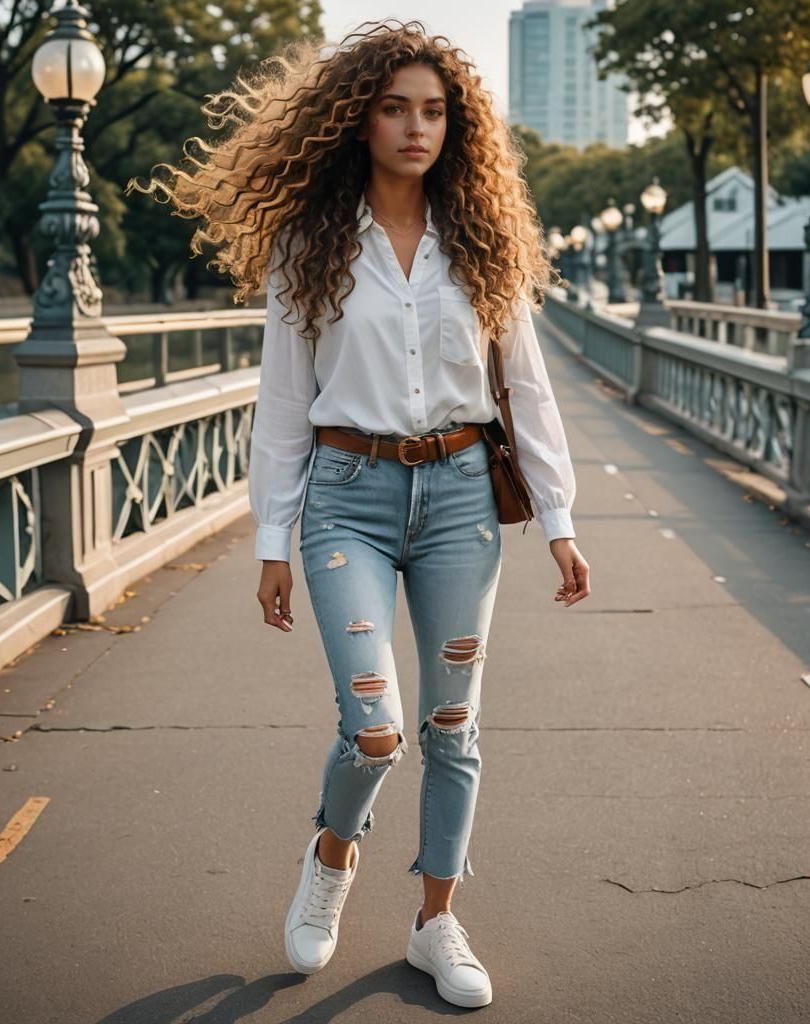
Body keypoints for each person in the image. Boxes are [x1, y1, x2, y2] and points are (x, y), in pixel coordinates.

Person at [128, 19, 590, 1009]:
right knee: (374, 727)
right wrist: (269, 538)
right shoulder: (311, 241)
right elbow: (284, 401)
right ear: (359, 120)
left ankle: (435, 922)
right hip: (346, 499)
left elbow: (528, 383)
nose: (416, 127)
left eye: (434, 110)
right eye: (395, 108)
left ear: (453, 126)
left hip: (464, 493)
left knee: (452, 725)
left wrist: (558, 517)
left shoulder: (485, 240)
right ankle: (333, 852)